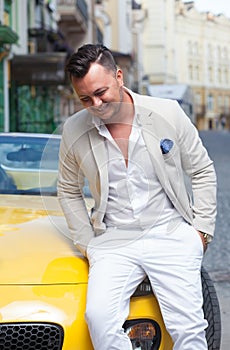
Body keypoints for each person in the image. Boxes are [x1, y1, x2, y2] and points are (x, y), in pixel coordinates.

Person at [57, 44, 217, 350]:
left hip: (170, 232)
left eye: (101, 92)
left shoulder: (167, 112)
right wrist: (87, 243)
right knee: (99, 319)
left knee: (189, 330)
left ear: (119, 76)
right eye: (85, 99)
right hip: (113, 239)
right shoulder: (74, 129)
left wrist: (201, 232)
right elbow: (67, 188)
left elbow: (202, 170)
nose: (96, 104)